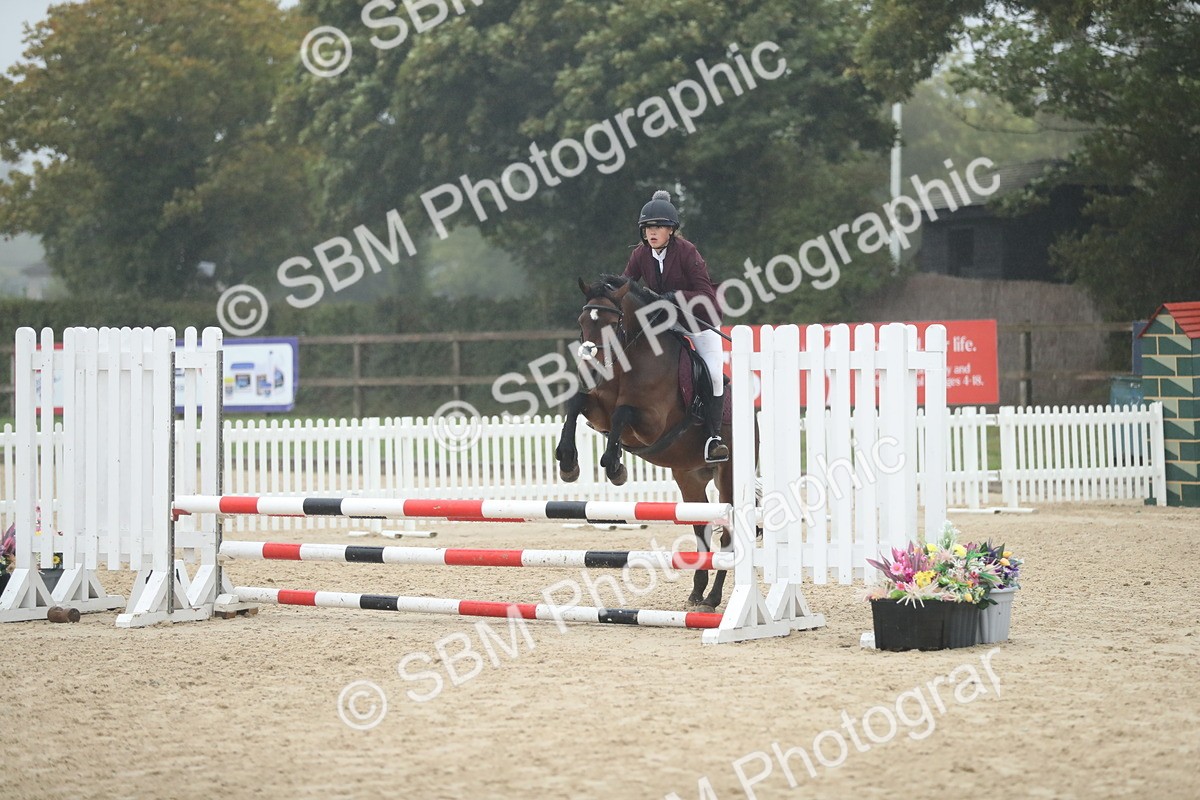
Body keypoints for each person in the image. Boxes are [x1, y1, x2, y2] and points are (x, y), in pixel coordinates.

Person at [622, 189, 729, 463]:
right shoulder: (640, 255)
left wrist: (674, 297)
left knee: (715, 374)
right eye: (647, 228)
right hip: (665, 323)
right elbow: (626, 286)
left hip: (698, 321)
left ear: (671, 230)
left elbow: (704, 292)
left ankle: (714, 437)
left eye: (658, 227)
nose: (652, 232)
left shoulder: (687, 251)